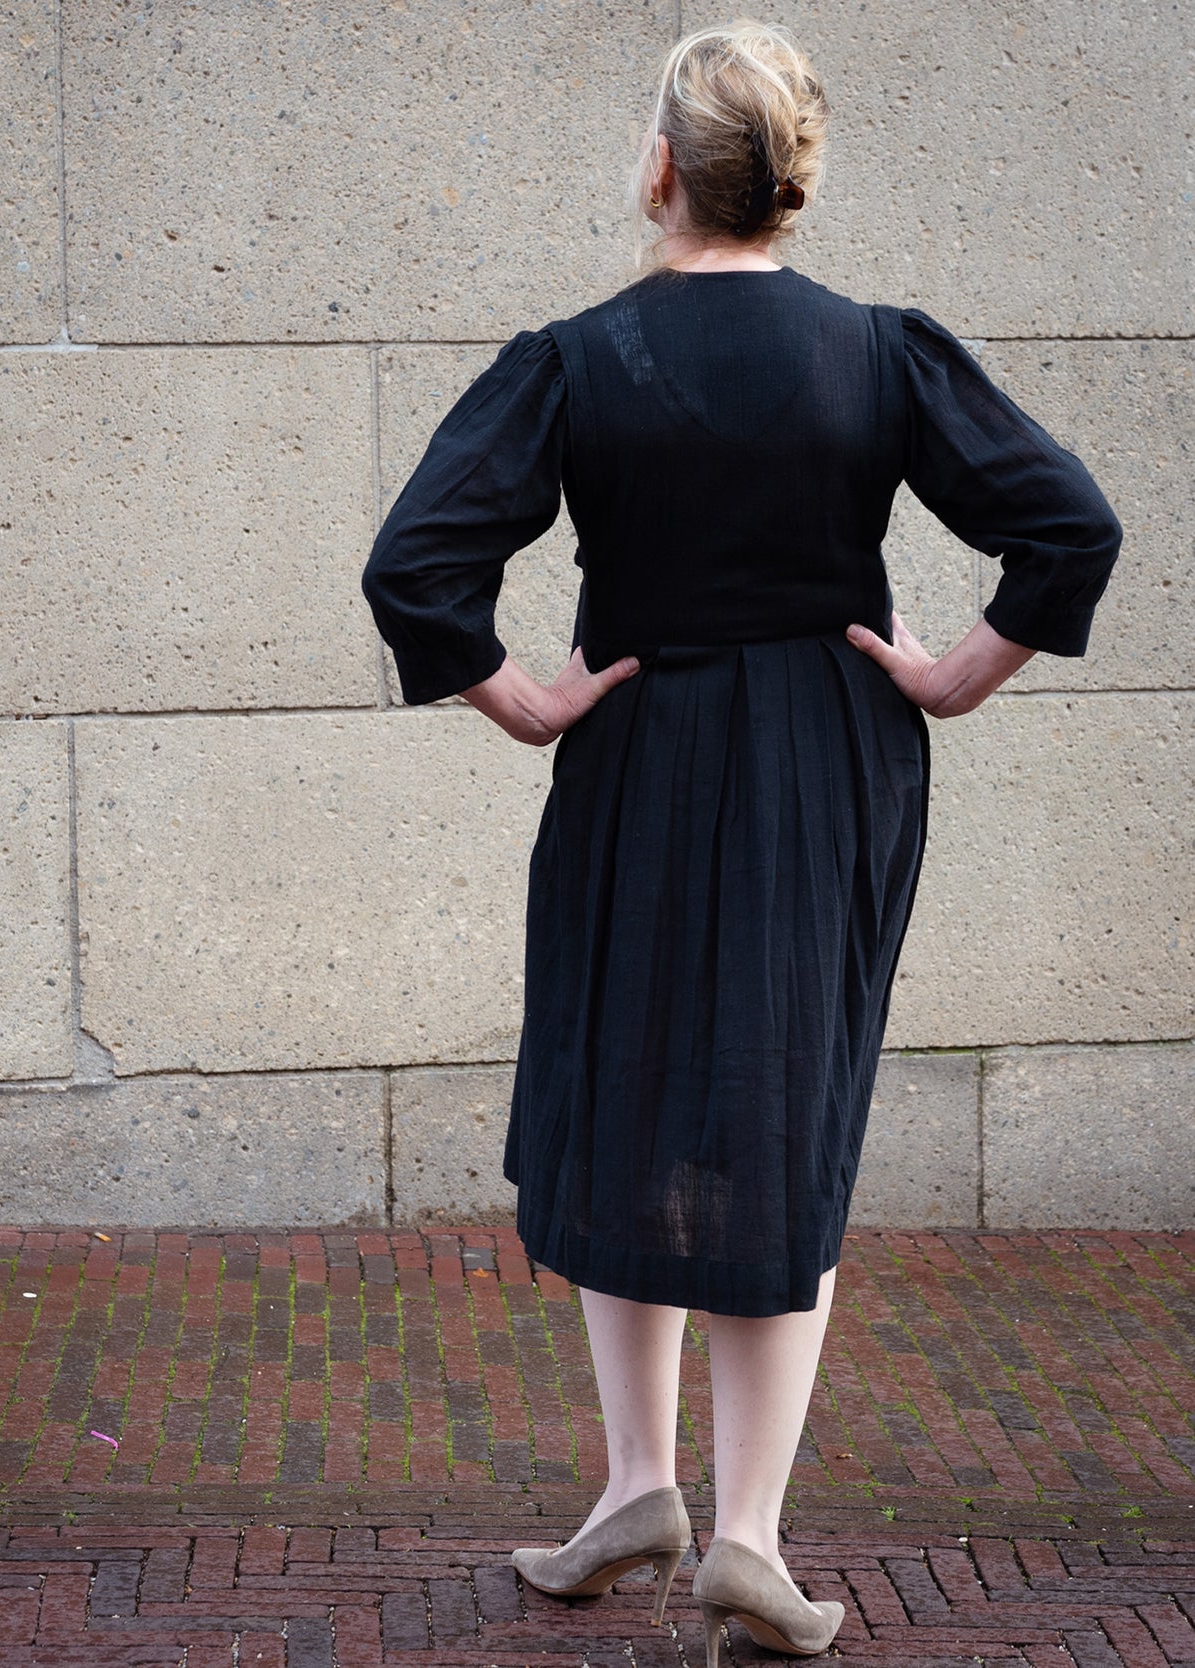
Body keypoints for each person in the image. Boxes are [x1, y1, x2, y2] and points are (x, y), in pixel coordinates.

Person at [360, 19, 1122, 1666]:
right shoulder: (878, 353)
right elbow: (1067, 522)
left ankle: (647, 1485)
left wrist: (524, 703)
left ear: (657, 169)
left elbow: (415, 566)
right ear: (792, 181)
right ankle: (734, 1533)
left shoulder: (572, 359)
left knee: (625, 1087)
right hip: (828, 765)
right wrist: (950, 677)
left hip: (636, 750)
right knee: (782, 1106)